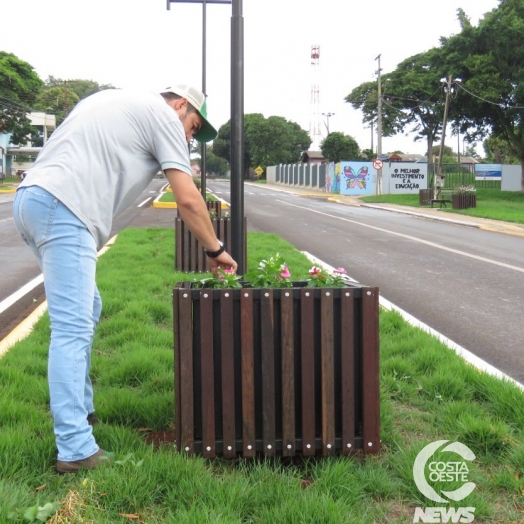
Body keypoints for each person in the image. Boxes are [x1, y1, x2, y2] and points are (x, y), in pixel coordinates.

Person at [12, 83, 237, 474]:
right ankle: (75, 448)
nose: (188, 137)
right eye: (193, 126)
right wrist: (215, 249)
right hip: (66, 208)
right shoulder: (165, 117)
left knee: (87, 308)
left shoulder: (111, 98)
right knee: (72, 328)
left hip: (31, 198)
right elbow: (188, 198)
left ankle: (82, 412)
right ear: (181, 105)